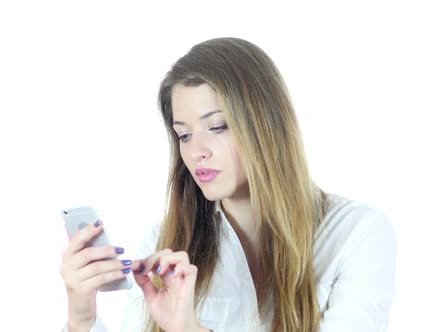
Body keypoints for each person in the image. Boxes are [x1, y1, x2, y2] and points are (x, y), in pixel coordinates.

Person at [60, 37, 396, 332]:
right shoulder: (166, 244)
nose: (196, 152)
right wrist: (82, 321)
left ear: (266, 124)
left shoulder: (357, 233)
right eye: (184, 134)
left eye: (217, 127)